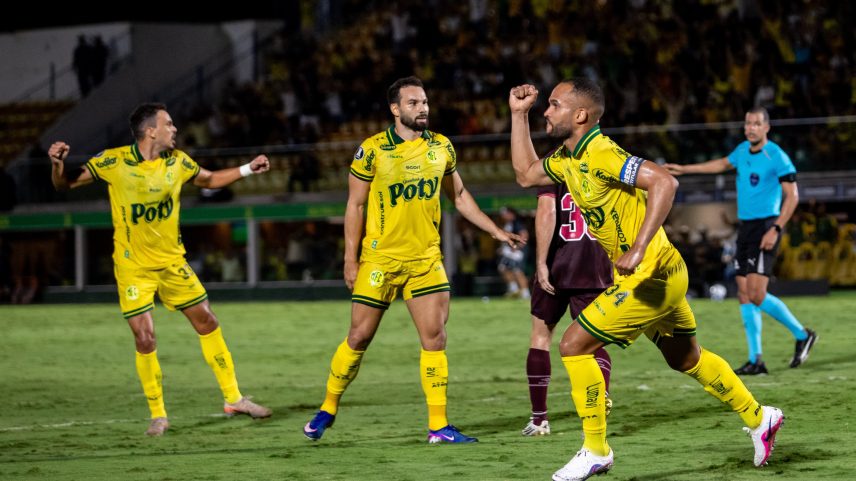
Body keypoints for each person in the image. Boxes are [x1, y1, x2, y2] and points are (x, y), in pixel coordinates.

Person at [508, 79, 783, 480]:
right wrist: (518, 115)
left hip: (649, 275)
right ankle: (761, 418)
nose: (545, 112)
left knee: (573, 345)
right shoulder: (569, 159)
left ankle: (595, 449)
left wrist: (637, 247)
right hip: (659, 273)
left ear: (580, 115)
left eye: (553, 105)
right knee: (685, 358)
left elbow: (664, 182)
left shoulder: (601, 152)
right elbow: (525, 175)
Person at [303, 76, 524, 444]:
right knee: (358, 337)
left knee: (435, 338)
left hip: (425, 260)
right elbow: (355, 206)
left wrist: (494, 231)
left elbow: (461, 195)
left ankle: (438, 426)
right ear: (395, 109)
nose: (422, 108)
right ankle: (328, 407)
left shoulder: (441, 147)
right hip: (380, 261)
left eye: (424, 102)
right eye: (413, 103)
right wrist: (350, 259)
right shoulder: (371, 150)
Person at [48, 103, 272, 436]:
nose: (175, 129)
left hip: (172, 263)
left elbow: (209, 179)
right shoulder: (114, 161)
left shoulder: (179, 162)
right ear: (151, 130)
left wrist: (248, 169)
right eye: (169, 124)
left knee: (208, 320)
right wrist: (57, 164)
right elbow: (64, 184)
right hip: (134, 267)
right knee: (145, 336)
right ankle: (158, 414)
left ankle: (234, 398)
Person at [664, 107, 817, 375]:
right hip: (746, 228)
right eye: (748, 123)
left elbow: (792, 196)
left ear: (767, 127)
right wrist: (685, 169)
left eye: (756, 124)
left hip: (766, 226)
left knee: (757, 294)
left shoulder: (777, 156)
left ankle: (802, 334)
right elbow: (722, 164)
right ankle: (756, 359)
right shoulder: (743, 150)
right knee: (744, 294)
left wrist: (776, 229)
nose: (751, 128)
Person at [522, 182, 613, 437]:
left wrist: (540, 262)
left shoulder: (550, 166)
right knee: (592, 342)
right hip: (593, 262)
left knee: (540, 337)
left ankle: (539, 420)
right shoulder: (602, 160)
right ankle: (598, 403)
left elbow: (547, 210)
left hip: (555, 263)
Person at [497, 206, 531, 299]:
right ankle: (514, 289)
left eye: (505, 214)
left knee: (518, 271)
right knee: (503, 268)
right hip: (509, 251)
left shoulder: (517, 222)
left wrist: (517, 247)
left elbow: (524, 235)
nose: (503, 216)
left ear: (511, 214)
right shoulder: (508, 224)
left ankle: (525, 293)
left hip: (518, 251)